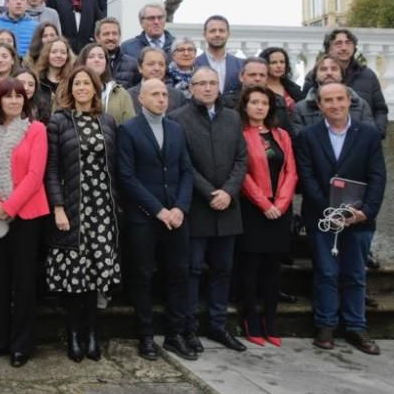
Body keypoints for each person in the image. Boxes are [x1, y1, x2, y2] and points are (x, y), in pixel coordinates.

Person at [296, 83, 386, 354]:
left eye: (339, 99)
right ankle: (325, 325)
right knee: (326, 272)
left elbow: (377, 177)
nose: (334, 105)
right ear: (320, 105)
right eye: (328, 100)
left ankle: (356, 327)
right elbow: (307, 178)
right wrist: (331, 212)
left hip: (359, 219)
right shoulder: (308, 136)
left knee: (356, 274)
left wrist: (365, 212)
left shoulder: (368, 135)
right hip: (323, 218)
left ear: (349, 101)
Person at [171, 67, 248, 353]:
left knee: (223, 270)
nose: (207, 88)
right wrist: (209, 192)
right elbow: (184, 163)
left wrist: (228, 191)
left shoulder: (232, 118)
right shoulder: (178, 119)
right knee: (191, 270)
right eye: (200, 83)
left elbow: (242, 158)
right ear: (190, 88)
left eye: (212, 83)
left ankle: (218, 325)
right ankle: (188, 328)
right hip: (197, 207)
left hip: (228, 207)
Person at [117, 79, 196, 361]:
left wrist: (180, 208)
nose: (162, 99)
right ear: (141, 99)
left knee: (178, 273)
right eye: (155, 94)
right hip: (144, 218)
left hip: (176, 216)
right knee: (143, 276)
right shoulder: (128, 130)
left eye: (164, 94)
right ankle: (146, 335)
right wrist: (158, 210)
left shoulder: (176, 129)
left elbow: (186, 171)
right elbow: (127, 176)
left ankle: (175, 334)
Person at [45, 67, 120, 362]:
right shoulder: (59, 121)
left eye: (87, 83)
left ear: (95, 87)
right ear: (69, 88)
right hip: (73, 207)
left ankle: (92, 334)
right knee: (75, 278)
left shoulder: (108, 121)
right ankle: (74, 335)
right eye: (77, 83)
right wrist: (59, 207)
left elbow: (114, 166)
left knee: (94, 277)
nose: (82, 88)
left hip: (101, 207)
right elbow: (51, 169)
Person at [0, 78, 49, 367]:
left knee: (24, 283)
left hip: (25, 216)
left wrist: (10, 206)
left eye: (20, 96)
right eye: (9, 97)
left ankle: (21, 345)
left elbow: (35, 174)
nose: (15, 101)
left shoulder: (36, 130)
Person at [238, 86, 298, 347]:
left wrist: (281, 204)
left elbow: (290, 172)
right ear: (245, 106)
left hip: (280, 211)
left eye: (264, 103)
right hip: (253, 210)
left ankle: (270, 320)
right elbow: (242, 174)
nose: (260, 107)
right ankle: (251, 318)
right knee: (250, 268)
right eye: (254, 102)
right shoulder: (240, 135)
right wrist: (264, 204)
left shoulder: (281, 135)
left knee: (274, 268)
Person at [303, 28, 388, 138]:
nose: (344, 48)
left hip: (362, 140)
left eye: (348, 43)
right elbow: (305, 107)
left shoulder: (367, 75)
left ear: (354, 47)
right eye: (338, 43)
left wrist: (377, 133)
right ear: (328, 48)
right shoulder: (315, 76)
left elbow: (380, 109)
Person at [289, 53, 375, 138]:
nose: (329, 73)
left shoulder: (360, 105)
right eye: (323, 69)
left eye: (334, 69)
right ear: (315, 76)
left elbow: (369, 138)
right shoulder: (301, 109)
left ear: (342, 75)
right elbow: (299, 141)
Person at [76, 42, 135, 126]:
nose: (97, 60)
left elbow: (130, 125)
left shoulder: (121, 94)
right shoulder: (69, 90)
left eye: (101, 57)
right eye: (91, 57)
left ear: (106, 63)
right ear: (83, 62)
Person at [193, 15, 243, 95]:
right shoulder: (194, 64)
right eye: (212, 31)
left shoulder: (241, 65)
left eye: (221, 31)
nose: (217, 34)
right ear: (204, 35)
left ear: (228, 34)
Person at [128, 47, 187, 115]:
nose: (157, 68)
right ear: (140, 67)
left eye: (161, 64)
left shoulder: (178, 96)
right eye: (151, 64)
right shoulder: (128, 96)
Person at [94, 17, 140, 89]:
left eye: (114, 34)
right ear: (97, 38)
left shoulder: (133, 64)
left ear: (119, 36)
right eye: (106, 34)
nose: (111, 38)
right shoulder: (87, 63)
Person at [259, 46, 304, 114]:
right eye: (274, 62)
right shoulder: (259, 88)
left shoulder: (292, 88)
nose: (279, 66)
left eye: (282, 62)